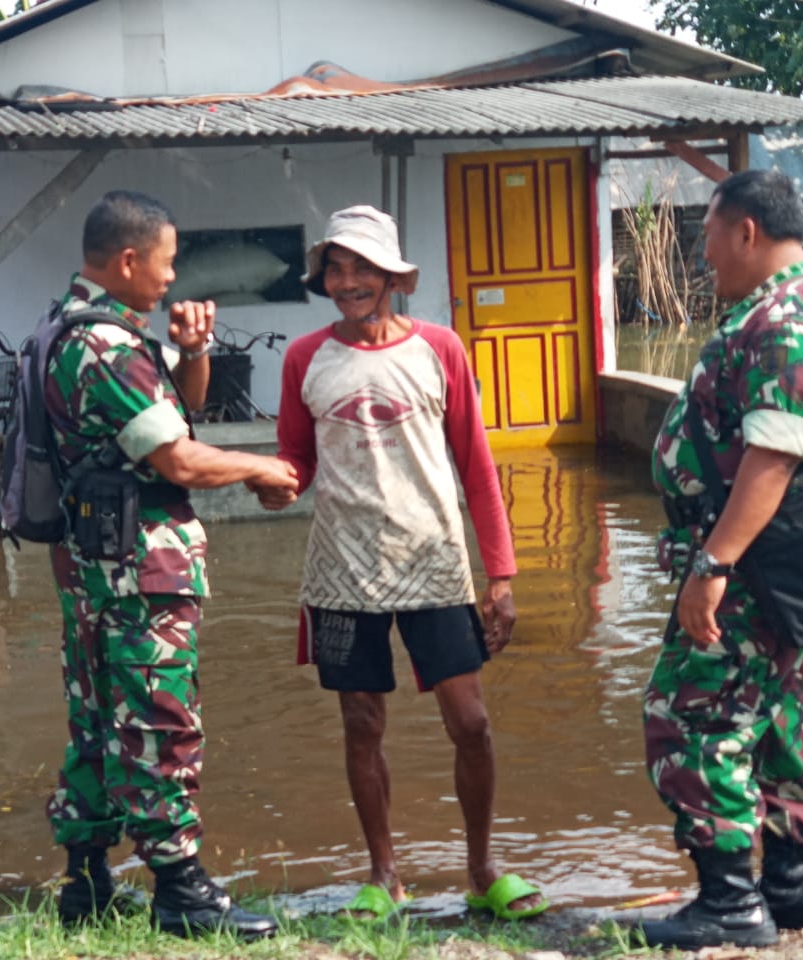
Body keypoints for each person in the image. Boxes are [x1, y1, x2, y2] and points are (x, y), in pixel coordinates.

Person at [253, 205, 547, 921]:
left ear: (391, 276)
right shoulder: (305, 359)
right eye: (335, 268)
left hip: (434, 562)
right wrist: (266, 482)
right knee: (360, 722)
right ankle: (384, 876)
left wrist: (500, 575)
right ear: (322, 277)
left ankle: (482, 868)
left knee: (471, 722)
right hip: (341, 572)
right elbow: (297, 460)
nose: (348, 282)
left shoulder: (440, 349)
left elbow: (476, 467)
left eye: (362, 268)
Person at [43, 189, 297, 939]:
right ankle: (182, 890)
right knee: (159, 719)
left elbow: (170, 419)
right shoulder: (107, 347)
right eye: (167, 261)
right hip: (136, 573)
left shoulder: (76, 331)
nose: (172, 277)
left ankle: (85, 884)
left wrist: (193, 354)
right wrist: (261, 468)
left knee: (96, 722)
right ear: (127, 260)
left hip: (96, 569)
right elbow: (179, 457)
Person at [640, 169, 803, 950]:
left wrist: (713, 564)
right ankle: (791, 886)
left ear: (747, 233)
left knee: (688, 715)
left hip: (750, 567)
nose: (704, 254)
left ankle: (730, 901)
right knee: (782, 714)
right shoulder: (796, 303)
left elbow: (773, 454)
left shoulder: (784, 318)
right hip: (775, 565)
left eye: (707, 236)